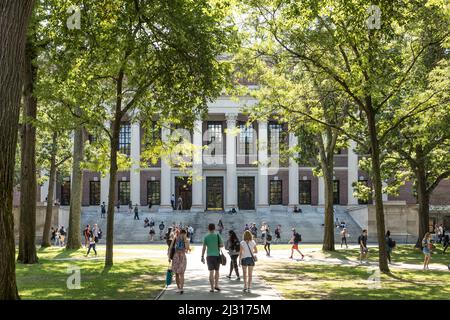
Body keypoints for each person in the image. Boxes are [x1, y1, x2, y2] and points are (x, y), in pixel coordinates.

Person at [201, 223, 224, 293]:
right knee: (217, 271)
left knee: (211, 272)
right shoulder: (217, 235)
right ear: (214, 228)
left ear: (208, 228)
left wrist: (202, 256)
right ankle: (216, 285)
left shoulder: (206, 236)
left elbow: (204, 247)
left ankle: (212, 288)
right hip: (216, 255)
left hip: (209, 256)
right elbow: (222, 245)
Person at [168, 228, 189, 294]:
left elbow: (170, 247)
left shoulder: (176, 237)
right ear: (184, 233)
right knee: (180, 273)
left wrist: (169, 257)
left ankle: (179, 288)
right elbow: (187, 249)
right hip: (181, 256)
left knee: (178, 273)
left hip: (176, 256)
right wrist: (185, 240)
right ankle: (180, 288)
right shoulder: (180, 238)